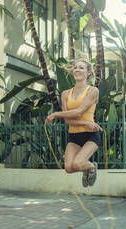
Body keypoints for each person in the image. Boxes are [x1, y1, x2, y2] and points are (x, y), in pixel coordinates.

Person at [45, 59, 102, 187]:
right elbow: (68, 120)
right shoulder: (65, 94)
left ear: (88, 72)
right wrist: (86, 123)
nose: (77, 70)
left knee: (78, 164)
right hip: (74, 136)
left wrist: (55, 114)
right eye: (75, 67)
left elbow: (78, 112)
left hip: (90, 135)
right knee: (68, 168)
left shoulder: (93, 91)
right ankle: (87, 168)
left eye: (81, 68)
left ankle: (91, 167)